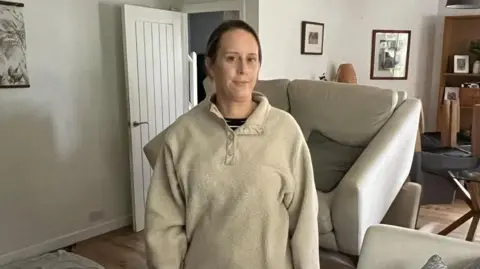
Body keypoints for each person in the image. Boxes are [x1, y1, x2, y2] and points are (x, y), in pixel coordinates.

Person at [143, 19, 320, 269]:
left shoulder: (286, 131)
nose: (243, 69)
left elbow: (304, 223)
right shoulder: (182, 134)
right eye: (231, 58)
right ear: (210, 66)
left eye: (251, 59)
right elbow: (163, 226)